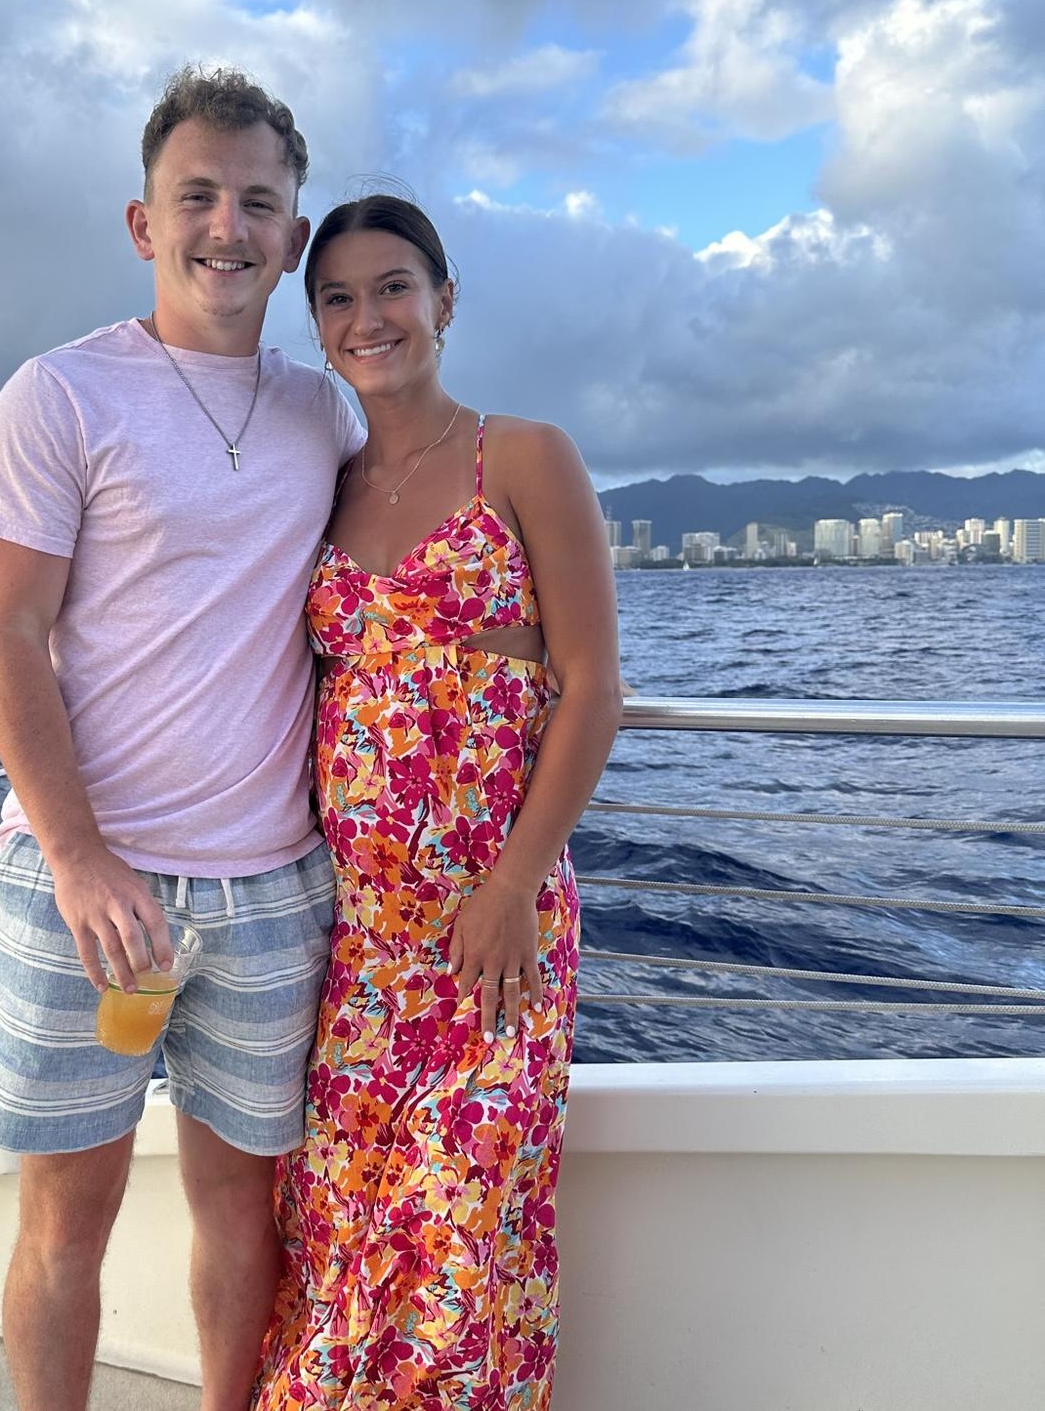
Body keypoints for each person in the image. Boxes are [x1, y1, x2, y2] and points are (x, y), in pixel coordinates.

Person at [0, 67, 364, 1411]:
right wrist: (79, 860)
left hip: (272, 889)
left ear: (292, 237)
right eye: (197, 197)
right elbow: (6, 634)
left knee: (243, 1215)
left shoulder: (324, 415)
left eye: (258, 202)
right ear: (144, 224)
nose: (226, 227)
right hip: (88, 885)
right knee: (64, 1226)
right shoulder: (59, 396)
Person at [254, 195, 622, 1409]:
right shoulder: (324, 484)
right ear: (317, 326)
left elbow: (592, 690)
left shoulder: (522, 456)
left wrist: (514, 885)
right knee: (343, 1233)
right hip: (359, 942)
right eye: (338, 298)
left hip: (492, 935)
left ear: (445, 302)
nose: (368, 317)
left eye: (393, 288)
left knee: (463, 1247)